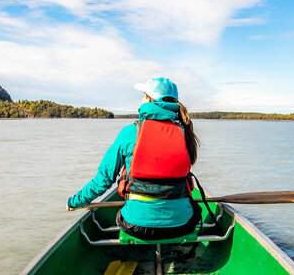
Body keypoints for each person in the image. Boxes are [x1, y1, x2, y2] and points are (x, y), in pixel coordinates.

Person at [67, 77, 202, 240]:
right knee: (194, 210)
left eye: (143, 95)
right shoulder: (184, 132)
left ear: (148, 99)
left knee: (125, 203)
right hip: (182, 224)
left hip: (136, 225)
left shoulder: (129, 132)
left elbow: (103, 181)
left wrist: (75, 201)